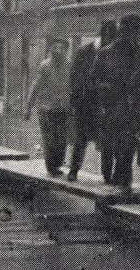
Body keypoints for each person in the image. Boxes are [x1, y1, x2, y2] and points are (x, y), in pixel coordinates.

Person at [92, 14, 140, 193]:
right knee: (114, 145)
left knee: (127, 145)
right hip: (113, 106)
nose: (131, 36)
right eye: (127, 32)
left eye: (134, 32)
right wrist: (105, 90)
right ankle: (118, 178)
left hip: (136, 107)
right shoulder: (106, 53)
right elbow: (94, 79)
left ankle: (123, 181)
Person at [66, 20, 116, 182]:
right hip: (85, 104)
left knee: (107, 142)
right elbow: (74, 78)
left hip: (105, 105)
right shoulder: (84, 52)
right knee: (81, 139)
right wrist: (75, 103)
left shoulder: (113, 54)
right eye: (108, 38)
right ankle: (73, 171)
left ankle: (107, 177)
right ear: (102, 35)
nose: (110, 42)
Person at [25, 39, 72, 176]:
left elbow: (73, 87)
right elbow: (35, 87)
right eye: (55, 47)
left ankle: (57, 165)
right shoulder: (45, 66)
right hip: (46, 109)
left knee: (62, 139)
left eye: (62, 48)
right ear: (50, 50)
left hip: (63, 108)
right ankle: (51, 167)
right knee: (49, 139)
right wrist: (28, 107)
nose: (58, 50)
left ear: (65, 50)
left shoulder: (69, 65)